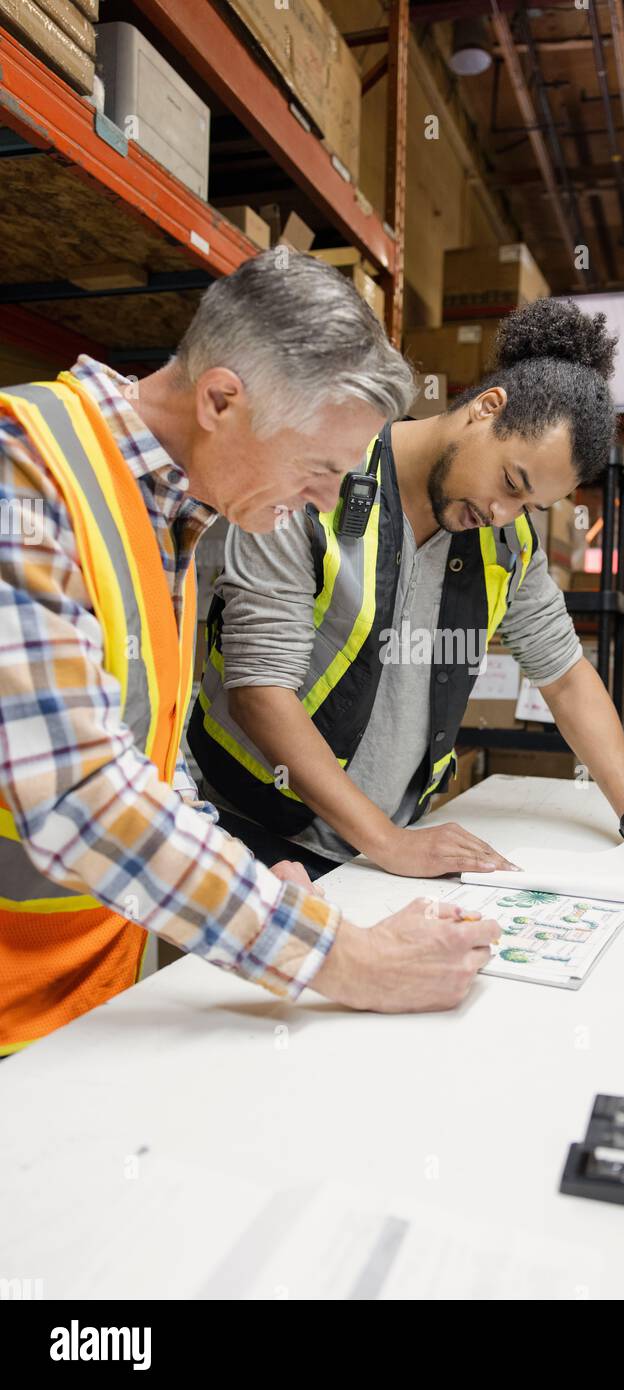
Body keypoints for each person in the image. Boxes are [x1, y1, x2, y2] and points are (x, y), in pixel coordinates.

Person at [0, 251, 499, 1056]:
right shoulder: (23, 471)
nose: (328, 501)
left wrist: (245, 875)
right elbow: (75, 792)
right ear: (221, 400)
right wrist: (345, 960)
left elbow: (149, 754)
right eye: (319, 468)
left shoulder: (173, 514)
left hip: (82, 1006)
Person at [189, 299, 624, 883]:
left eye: (530, 506)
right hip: (250, 828)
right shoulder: (321, 474)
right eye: (511, 482)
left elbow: (566, 677)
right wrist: (389, 842)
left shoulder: (507, 544)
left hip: (381, 856)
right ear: (487, 408)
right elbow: (260, 689)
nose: (503, 513)